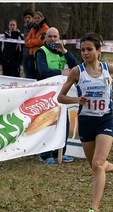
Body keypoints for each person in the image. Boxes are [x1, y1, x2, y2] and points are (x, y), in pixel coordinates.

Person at [57, 32, 113, 212]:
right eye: (83, 50)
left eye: (89, 49)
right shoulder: (77, 72)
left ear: (98, 50)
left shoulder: (109, 68)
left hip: (105, 121)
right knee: (97, 167)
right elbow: (60, 98)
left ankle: (93, 210)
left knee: (97, 164)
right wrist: (76, 100)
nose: (85, 53)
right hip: (86, 122)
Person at [35, 27, 79, 165]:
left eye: (55, 36)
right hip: (46, 93)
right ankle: (45, 155)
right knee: (48, 123)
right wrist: (62, 72)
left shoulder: (62, 52)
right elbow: (43, 72)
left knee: (63, 123)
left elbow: (76, 66)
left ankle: (60, 153)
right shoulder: (41, 52)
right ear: (46, 38)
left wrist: (65, 51)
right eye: (50, 36)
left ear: (59, 37)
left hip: (61, 93)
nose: (53, 39)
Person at [24, 11, 49, 79]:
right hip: (32, 55)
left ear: (42, 18)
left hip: (40, 54)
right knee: (32, 75)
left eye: (38, 18)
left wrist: (31, 41)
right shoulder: (33, 28)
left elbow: (43, 42)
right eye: (35, 18)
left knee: (39, 74)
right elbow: (26, 42)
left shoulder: (45, 28)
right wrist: (36, 41)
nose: (37, 19)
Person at [22, 9, 35, 78]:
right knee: (27, 76)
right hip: (24, 55)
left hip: (32, 56)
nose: (27, 19)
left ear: (32, 18)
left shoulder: (35, 27)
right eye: (26, 17)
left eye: (29, 17)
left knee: (32, 76)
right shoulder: (25, 27)